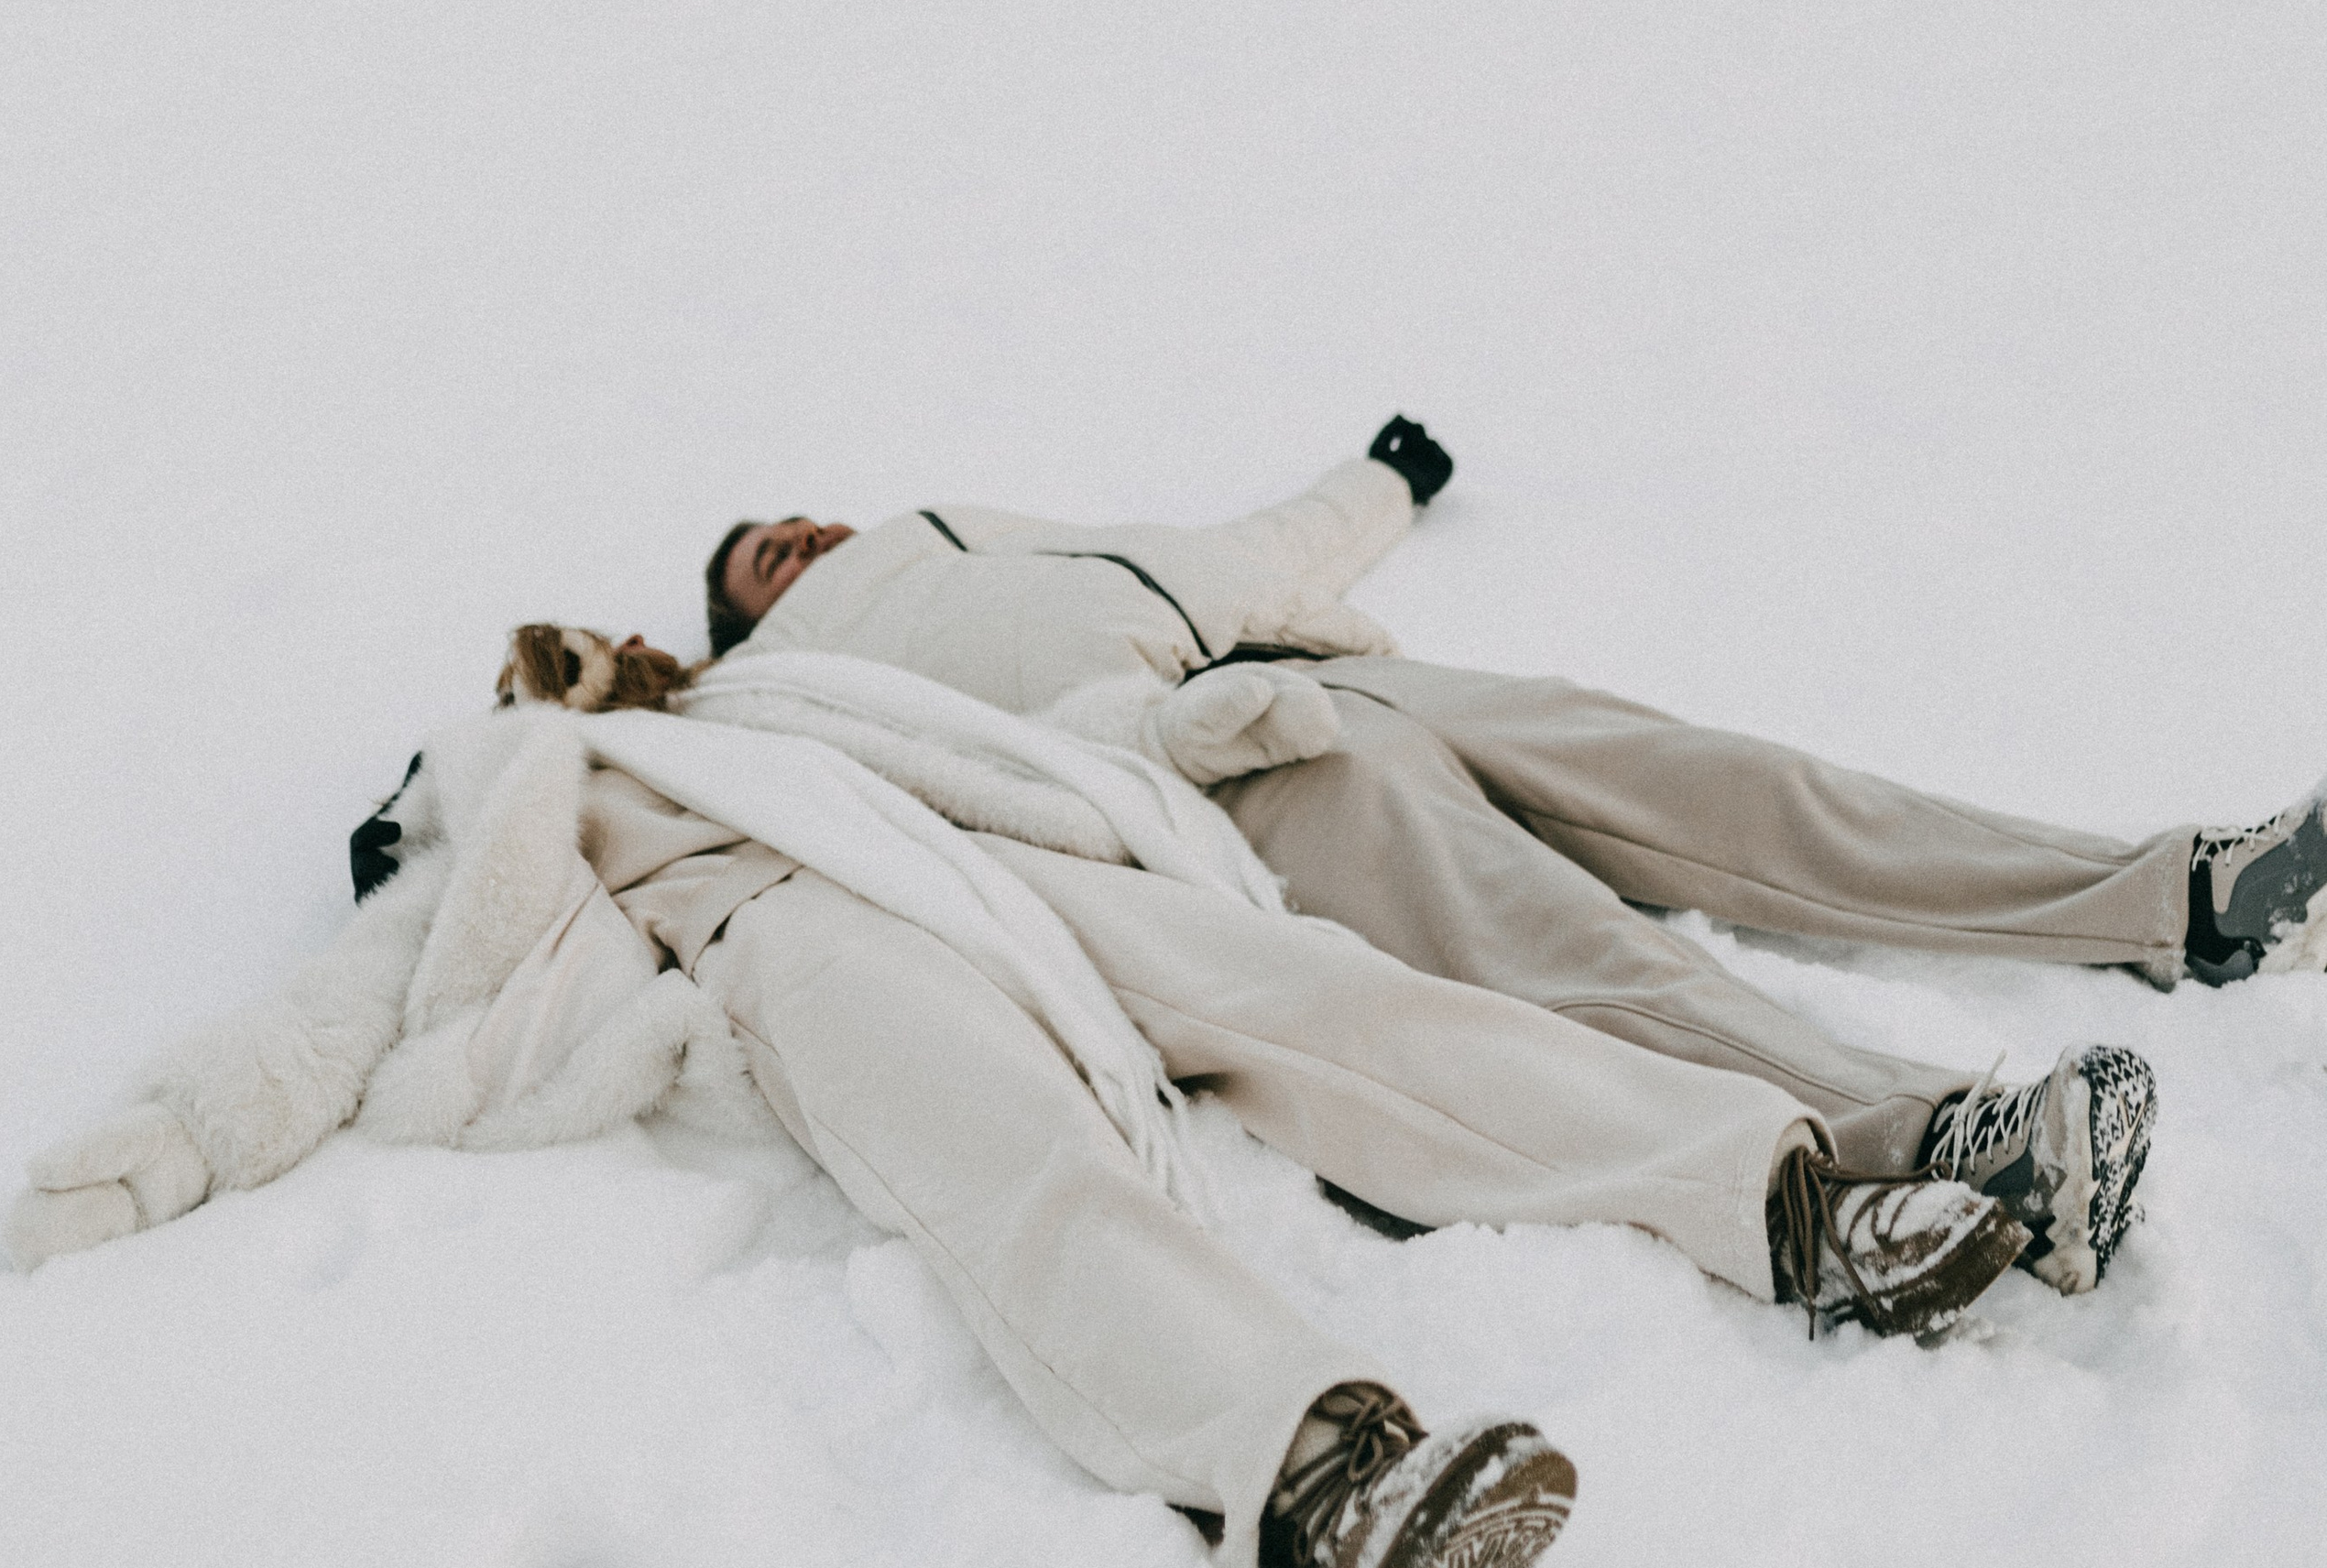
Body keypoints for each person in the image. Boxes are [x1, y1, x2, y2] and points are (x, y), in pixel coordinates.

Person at [13, 624, 2039, 1568]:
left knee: (1361, 1017)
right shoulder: (524, 800)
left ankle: (1791, 1201)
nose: (583, 675)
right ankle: (1313, 1483)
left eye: (594, 655)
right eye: (541, 677)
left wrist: (1210, 720)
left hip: (1021, 877)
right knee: (1020, 1178)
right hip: (796, 946)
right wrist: (118, 1172)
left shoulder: (794, 699)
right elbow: (325, 1019)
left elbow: (1056, 740)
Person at [694, 413, 2327, 1294]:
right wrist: (1167, 751)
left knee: (1736, 785)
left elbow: (1257, 550)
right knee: (1571, 956)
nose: (794, 540)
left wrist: (1379, 481)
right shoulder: (790, 687)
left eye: (796, 521)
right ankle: (1940, 1148)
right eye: (758, 559)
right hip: (1239, 775)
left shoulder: (995, 533)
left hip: (1330, 678)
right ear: (746, 616)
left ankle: (2177, 894)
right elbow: (959, 776)